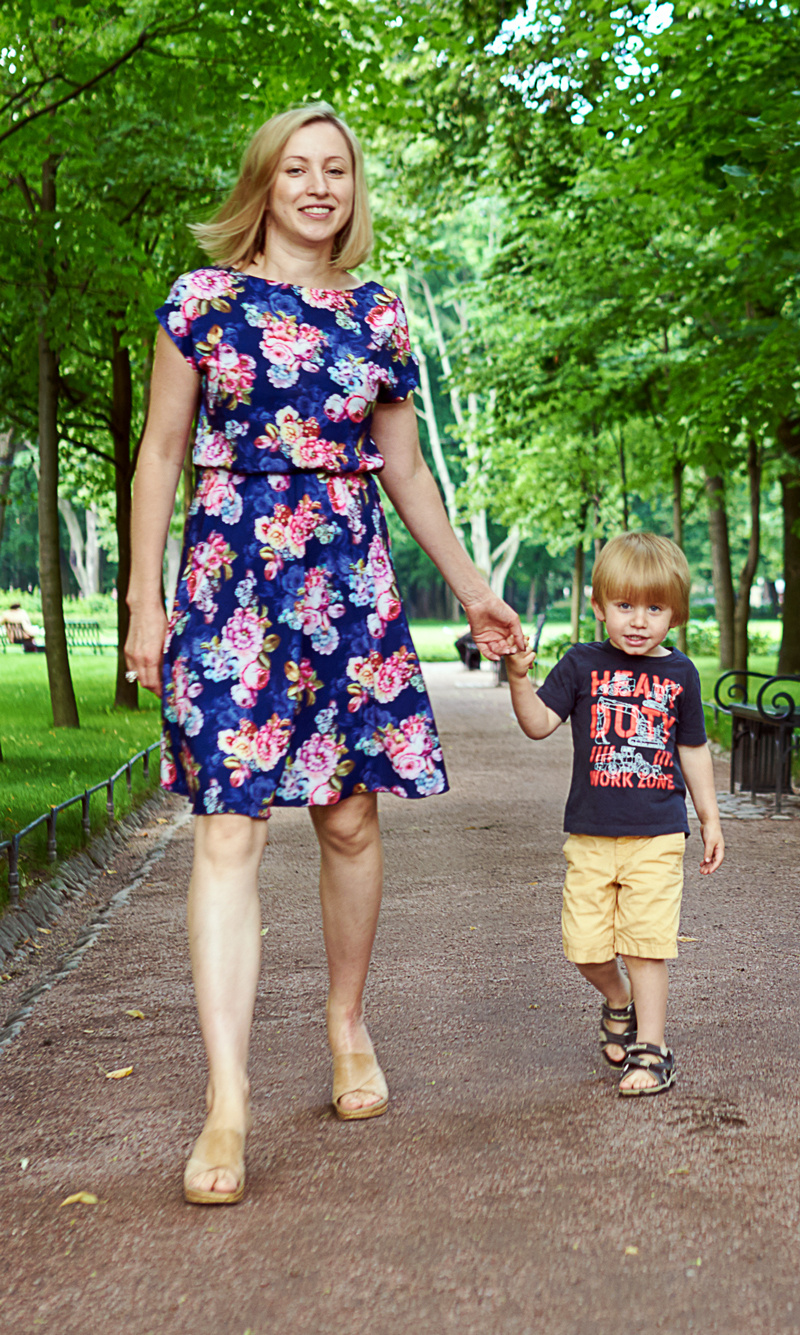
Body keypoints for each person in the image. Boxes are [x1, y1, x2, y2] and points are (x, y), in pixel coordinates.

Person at [124, 103, 526, 1206]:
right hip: (227, 581)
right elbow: (161, 453)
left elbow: (405, 472)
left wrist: (475, 594)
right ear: (264, 182)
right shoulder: (200, 304)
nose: (317, 185)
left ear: (352, 189)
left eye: (335, 169)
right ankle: (227, 1100)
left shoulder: (379, 318)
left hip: (346, 583)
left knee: (348, 817)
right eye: (296, 168)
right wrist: (142, 602)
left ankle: (348, 1026)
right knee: (227, 825)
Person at [503, 533, 724, 1096]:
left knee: (646, 945)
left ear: (674, 613)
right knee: (586, 948)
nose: (638, 621)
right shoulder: (581, 664)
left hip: (657, 835)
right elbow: (537, 724)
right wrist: (518, 676)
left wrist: (709, 817)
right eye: (624, 606)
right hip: (591, 837)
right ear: (598, 606)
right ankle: (617, 998)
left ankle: (652, 1051)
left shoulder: (681, 675)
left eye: (654, 608)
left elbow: (692, 749)